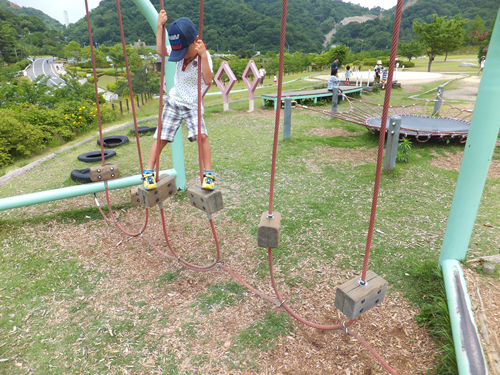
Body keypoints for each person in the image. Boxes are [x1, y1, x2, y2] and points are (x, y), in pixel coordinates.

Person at [143, 10, 214, 191]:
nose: (182, 55)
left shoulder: (204, 56)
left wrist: (204, 56)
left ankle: (208, 174)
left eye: (184, 50)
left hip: (192, 105)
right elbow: (160, 50)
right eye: (178, 52)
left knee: (202, 137)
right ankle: (148, 172)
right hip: (174, 101)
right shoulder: (178, 52)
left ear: (196, 41)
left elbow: (208, 81)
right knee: (161, 137)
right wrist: (159, 26)